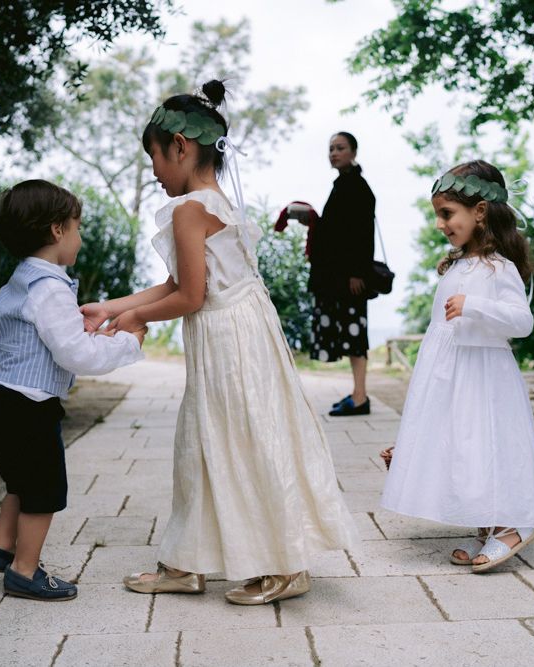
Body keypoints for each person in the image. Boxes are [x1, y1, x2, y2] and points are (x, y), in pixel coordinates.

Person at [80, 80, 358, 605]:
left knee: (238, 442)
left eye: (156, 158)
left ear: (180, 148)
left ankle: (284, 563)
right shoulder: (216, 202)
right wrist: (113, 306)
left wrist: (132, 319)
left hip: (230, 341)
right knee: (206, 444)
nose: (157, 171)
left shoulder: (190, 209)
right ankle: (187, 562)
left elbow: (189, 295)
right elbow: (179, 283)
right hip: (240, 331)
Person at [0, 180, 146, 600]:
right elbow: (76, 355)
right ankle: (24, 570)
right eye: (77, 226)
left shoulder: (21, 281)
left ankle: (0, 548)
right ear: (57, 230)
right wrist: (128, 343)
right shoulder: (50, 288)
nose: (80, 235)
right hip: (28, 407)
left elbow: (50, 337)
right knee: (43, 490)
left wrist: (84, 327)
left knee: (19, 479)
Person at [380, 160, 534, 573]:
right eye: (438, 214)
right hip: (450, 376)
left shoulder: (499, 268)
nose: (440, 224)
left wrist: (476, 306)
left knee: (487, 444)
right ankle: (487, 523)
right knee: (463, 446)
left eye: (447, 213)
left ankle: (512, 525)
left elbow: (522, 321)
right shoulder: (456, 266)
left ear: (480, 212)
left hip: (483, 376)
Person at [307, 132, 375, 416]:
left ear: (354, 152)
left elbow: (362, 235)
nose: (334, 153)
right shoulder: (343, 184)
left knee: (354, 335)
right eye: (331, 148)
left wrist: (359, 273)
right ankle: (357, 393)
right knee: (349, 334)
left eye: (340, 148)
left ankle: (360, 397)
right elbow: (335, 230)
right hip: (337, 276)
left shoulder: (358, 187)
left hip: (350, 278)